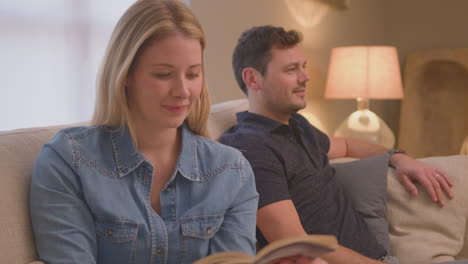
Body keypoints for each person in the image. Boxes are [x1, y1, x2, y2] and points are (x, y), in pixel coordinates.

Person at [29, 1, 261, 263]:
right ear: (125, 74)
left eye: (193, 74)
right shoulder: (68, 162)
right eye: (163, 74)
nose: (183, 91)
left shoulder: (232, 171)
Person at [220, 25, 455, 264]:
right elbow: (294, 244)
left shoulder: (297, 126)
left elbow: (345, 145)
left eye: (303, 67)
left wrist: (398, 157)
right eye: (291, 69)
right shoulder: (250, 148)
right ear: (252, 78)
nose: (305, 77)